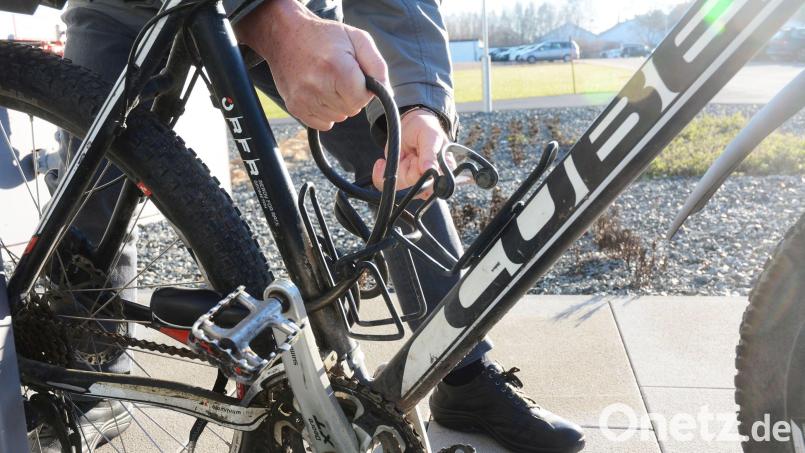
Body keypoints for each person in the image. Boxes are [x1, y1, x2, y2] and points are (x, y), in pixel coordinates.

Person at [55, 0, 585, 451]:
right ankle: (88, 375)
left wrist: (419, 102)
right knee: (94, 190)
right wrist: (271, 20)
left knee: (395, 149)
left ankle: (460, 369)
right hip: (126, 7)